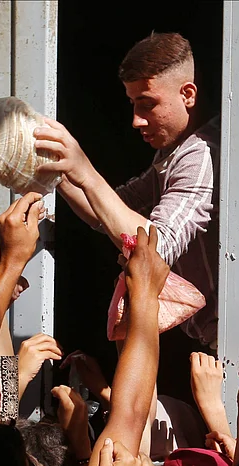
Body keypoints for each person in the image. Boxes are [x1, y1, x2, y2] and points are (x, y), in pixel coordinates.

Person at [34, 32, 219, 405]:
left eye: (147, 104)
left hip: (231, 343)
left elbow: (156, 247)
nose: (136, 120)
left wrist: (83, 170)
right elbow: (109, 213)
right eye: (132, 104)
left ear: (188, 94)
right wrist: (58, 174)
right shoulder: (172, 153)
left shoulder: (199, 155)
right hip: (207, 341)